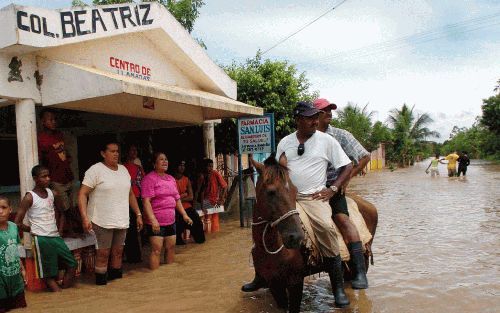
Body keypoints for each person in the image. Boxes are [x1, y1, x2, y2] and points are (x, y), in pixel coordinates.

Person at [244, 101, 353, 307]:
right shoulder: (285, 142)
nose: (314, 121)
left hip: (313, 197)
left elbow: (347, 166)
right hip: (289, 195)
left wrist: (333, 188)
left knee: (326, 227)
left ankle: (337, 287)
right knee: (263, 227)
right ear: (298, 120)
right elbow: (276, 169)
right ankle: (261, 274)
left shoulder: (327, 141)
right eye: (310, 118)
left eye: (315, 117)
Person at [313, 98, 371, 289]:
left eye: (330, 110)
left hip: (333, 188)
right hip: (308, 191)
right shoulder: (305, 136)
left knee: (344, 221)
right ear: (314, 115)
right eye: (324, 110)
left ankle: (360, 272)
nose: (329, 113)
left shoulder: (340, 135)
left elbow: (364, 156)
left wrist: (346, 179)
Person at [78, 141, 143, 285]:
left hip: (121, 219)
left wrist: (138, 214)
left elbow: (130, 194)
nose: (116, 154)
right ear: (103, 153)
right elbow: (82, 194)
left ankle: (116, 287)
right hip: (101, 219)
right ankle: (101, 285)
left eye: (117, 151)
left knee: (118, 252)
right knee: (103, 253)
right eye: (112, 151)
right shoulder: (95, 170)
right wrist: (84, 217)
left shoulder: (123, 170)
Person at [14, 165, 77, 292]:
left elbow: (61, 212)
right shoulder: (29, 197)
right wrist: (32, 231)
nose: (48, 179)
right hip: (41, 239)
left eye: (48, 176)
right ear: (35, 179)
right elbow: (17, 222)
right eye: (44, 176)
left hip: (55, 237)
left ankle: (65, 294)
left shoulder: (52, 193)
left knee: (72, 264)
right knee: (49, 274)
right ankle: (60, 296)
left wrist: (59, 230)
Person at [141, 153, 193, 270]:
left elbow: (177, 199)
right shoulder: (149, 179)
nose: (165, 161)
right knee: (156, 250)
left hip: (171, 220)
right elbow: (146, 202)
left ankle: (168, 275)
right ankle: (155, 278)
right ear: (154, 164)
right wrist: (153, 220)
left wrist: (184, 215)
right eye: (161, 159)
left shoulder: (171, 179)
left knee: (171, 247)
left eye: (166, 159)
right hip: (156, 222)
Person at [37, 109, 74, 234]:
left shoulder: (59, 135)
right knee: (64, 207)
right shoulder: (41, 139)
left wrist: (68, 159)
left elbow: (65, 152)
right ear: (43, 121)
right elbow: (41, 161)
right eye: (50, 119)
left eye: (55, 119)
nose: (54, 122)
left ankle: (68, 231)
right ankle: (65, 232)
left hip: (68, 177)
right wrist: (46, 180)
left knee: (70, 206)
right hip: (56, 178)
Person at [0, 195, 27, 311]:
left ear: (10, 209)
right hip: (1, 279)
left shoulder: (13, 227)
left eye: (3, 207)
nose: (0, 211)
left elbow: (15, 250)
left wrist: (22, 269)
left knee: (20, 307)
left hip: (15, 276)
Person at [173, 160, 205, 245]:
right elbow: (171, 198)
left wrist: (179, 198)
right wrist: (183, 195)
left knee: (197, 222)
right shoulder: (170, 179)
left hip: (187, 206)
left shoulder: (186, 179)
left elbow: (191, 196)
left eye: (183, 165)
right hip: (174, 207)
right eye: (180, 165)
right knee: (177, 224)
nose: (182, 167)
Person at [123, 144, 145, 263]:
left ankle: (136, 256)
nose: (134, 151)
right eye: (132, 149)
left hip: (138, 200)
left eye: (135, 149)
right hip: (125, 201)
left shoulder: (139, 168)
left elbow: (144, 184)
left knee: (138, 229)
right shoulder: (121, 167)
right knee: (130, 229)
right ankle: (133, 256)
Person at [196, 158, 227, 232]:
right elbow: (200, 192)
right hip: (204, 201)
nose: (210, 168)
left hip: (212, 201)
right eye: (208, 166)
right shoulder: (201, 176)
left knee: (212, 222)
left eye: (211, 166)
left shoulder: (215, 173)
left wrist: (221, 199)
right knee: (205, 219)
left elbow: (225, 186)